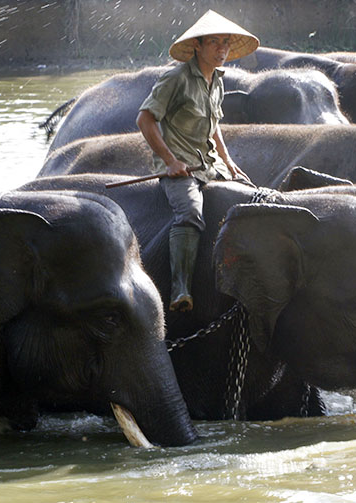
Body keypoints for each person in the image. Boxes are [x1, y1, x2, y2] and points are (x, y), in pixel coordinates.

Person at [136, 10, 259, 312]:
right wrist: (170, 161)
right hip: (181, 167)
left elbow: (213, 126)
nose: (222, 50)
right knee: (190, 212)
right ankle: (181, 288)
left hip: (209, 164)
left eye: (226, 44)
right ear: (198, 47)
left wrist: (229, 163)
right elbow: (145, 119)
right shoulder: (175, 78)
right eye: (215, 43)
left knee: (249, 194)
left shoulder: (217, 80)